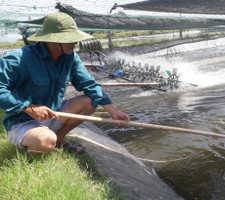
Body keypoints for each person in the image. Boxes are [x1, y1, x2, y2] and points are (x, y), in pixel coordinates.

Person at [0, 12, 130, 155]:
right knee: (46, 141)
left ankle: (59, 138)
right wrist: (28, 107)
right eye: (71, 39)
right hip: (23, 122)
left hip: (53, 114)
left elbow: (89, 84)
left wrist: (113, 111)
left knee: (90, 102)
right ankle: (40, 144)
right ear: (54, 40)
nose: (76, 42)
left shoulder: (70, 58)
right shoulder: (20, 58)